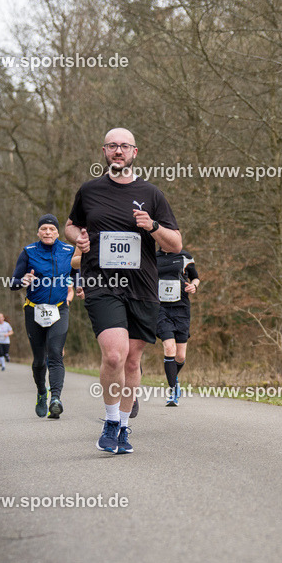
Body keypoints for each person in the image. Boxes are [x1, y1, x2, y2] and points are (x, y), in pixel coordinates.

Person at [65, 127, 181, 454]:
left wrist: (153, 226)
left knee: (132, 363)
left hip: (142, 287)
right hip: (102, 283)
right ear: (104, 151)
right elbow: (71, 224)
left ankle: (126, 428)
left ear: (135, 152)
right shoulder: (89, 191)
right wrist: (78, 237)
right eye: (113, 146)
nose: (119, 151)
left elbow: (176, 243)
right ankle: (111, 420)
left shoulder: (152, 194)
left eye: (124, 146)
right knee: (114, 353)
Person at [10, 214, 75, 419]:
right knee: (39, 360)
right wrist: (24, 280)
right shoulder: (28, 252)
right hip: (34, 310)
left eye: (52, 229)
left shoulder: (68, 251)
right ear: (38, 232)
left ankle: (55, 398)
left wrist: (78, 287)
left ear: (58, 232)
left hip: (59, 309)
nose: (48, 232)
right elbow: (13, 283)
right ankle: (41, 392)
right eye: (44, 229)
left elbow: (77, 274)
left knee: (55, 353)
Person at [156, 248, 199, 406]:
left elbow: (195, 277)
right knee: (169, 348)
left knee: (180, 357)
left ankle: (173, 379)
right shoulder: (153, 256)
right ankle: (173, 390)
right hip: (160, 308)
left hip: (181, 308)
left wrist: (194, 286)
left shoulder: (184, 256)